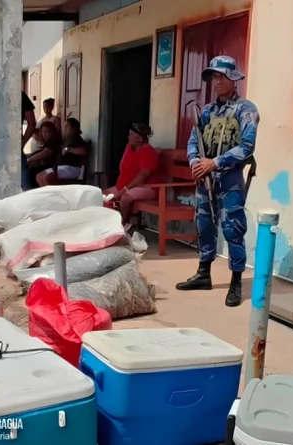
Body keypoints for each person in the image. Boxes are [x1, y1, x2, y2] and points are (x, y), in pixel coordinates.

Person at [175, 55, 260, 308]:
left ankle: (235, 281)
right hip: (205, 178)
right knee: (204, 225)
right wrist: (195, 163)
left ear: (233, 78)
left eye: (221, 76)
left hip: (230, 178)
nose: (217, 82)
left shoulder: (246, 109)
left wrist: (216, 162)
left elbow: (247, 147)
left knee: (233, 229)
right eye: (214, 77)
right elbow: (194, 141)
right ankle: (204, 273)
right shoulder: (207, 111)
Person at [103, 123, 160, 229]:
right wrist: (122, 188)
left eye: (131, 134)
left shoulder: (148, 151)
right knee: (103, 195)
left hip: (146, 187)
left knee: (126, 198)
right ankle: (110, 224)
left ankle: (124, 225)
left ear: (139, 138)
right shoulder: (129, 147)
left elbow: (143, 175)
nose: (128, 137)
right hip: (125, 185)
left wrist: (125, 189)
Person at [36, 118, 90, 187]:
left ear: (74, 128)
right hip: (61, 167)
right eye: (64, 127)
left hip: (72, 168)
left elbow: (84, 151)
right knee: (39, 176)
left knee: (47, 177)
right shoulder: (67, 139)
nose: (65, 129)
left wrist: (69, 149)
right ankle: (48, 195)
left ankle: (53, 195)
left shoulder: (77, 139)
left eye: (67, 126)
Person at [21, 91, 37, 190]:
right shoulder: (20, 95)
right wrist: (22, 142)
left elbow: (32, 123)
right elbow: (32, 122)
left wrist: (22, 142)